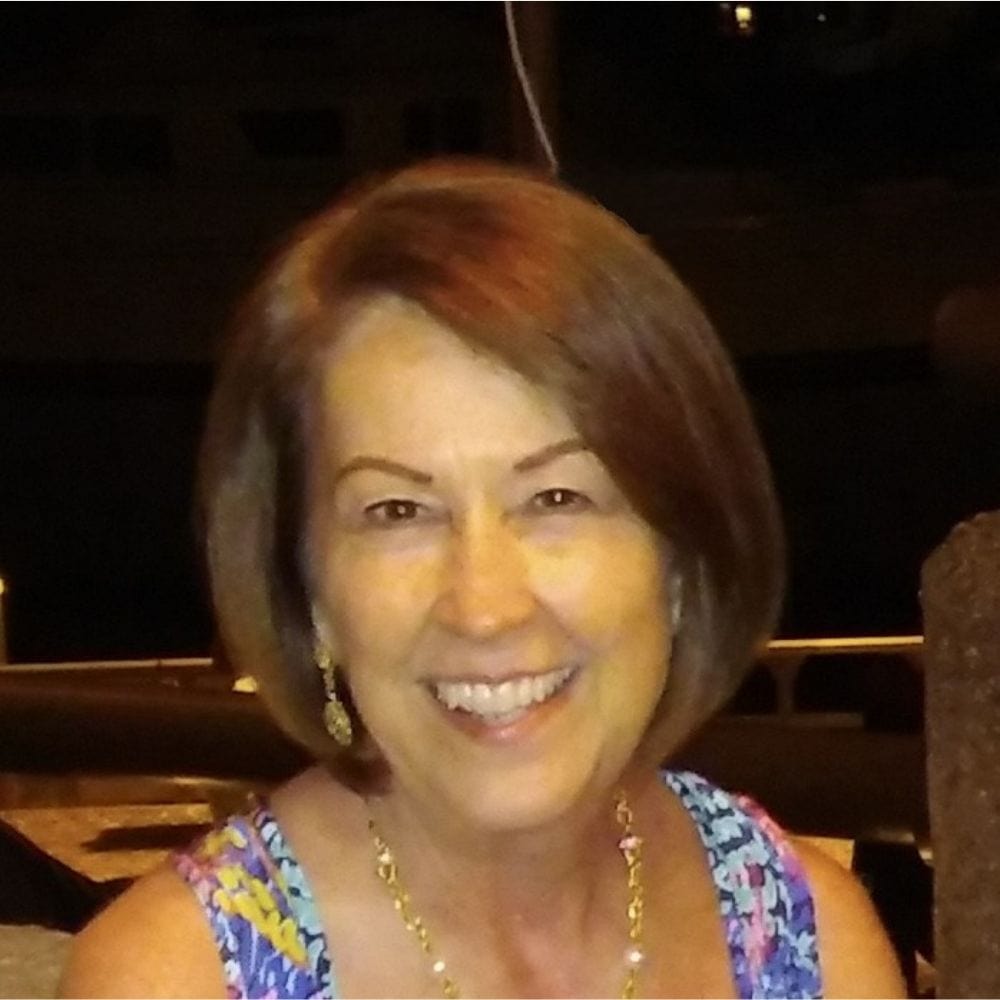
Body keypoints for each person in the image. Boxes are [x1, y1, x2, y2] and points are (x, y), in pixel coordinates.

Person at [59, 159, 905, 999]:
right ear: (310, 589)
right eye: (398, 512)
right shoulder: (174, 982)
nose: (485, 606)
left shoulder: (808, 948)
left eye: (556, 498)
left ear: (681, 558)